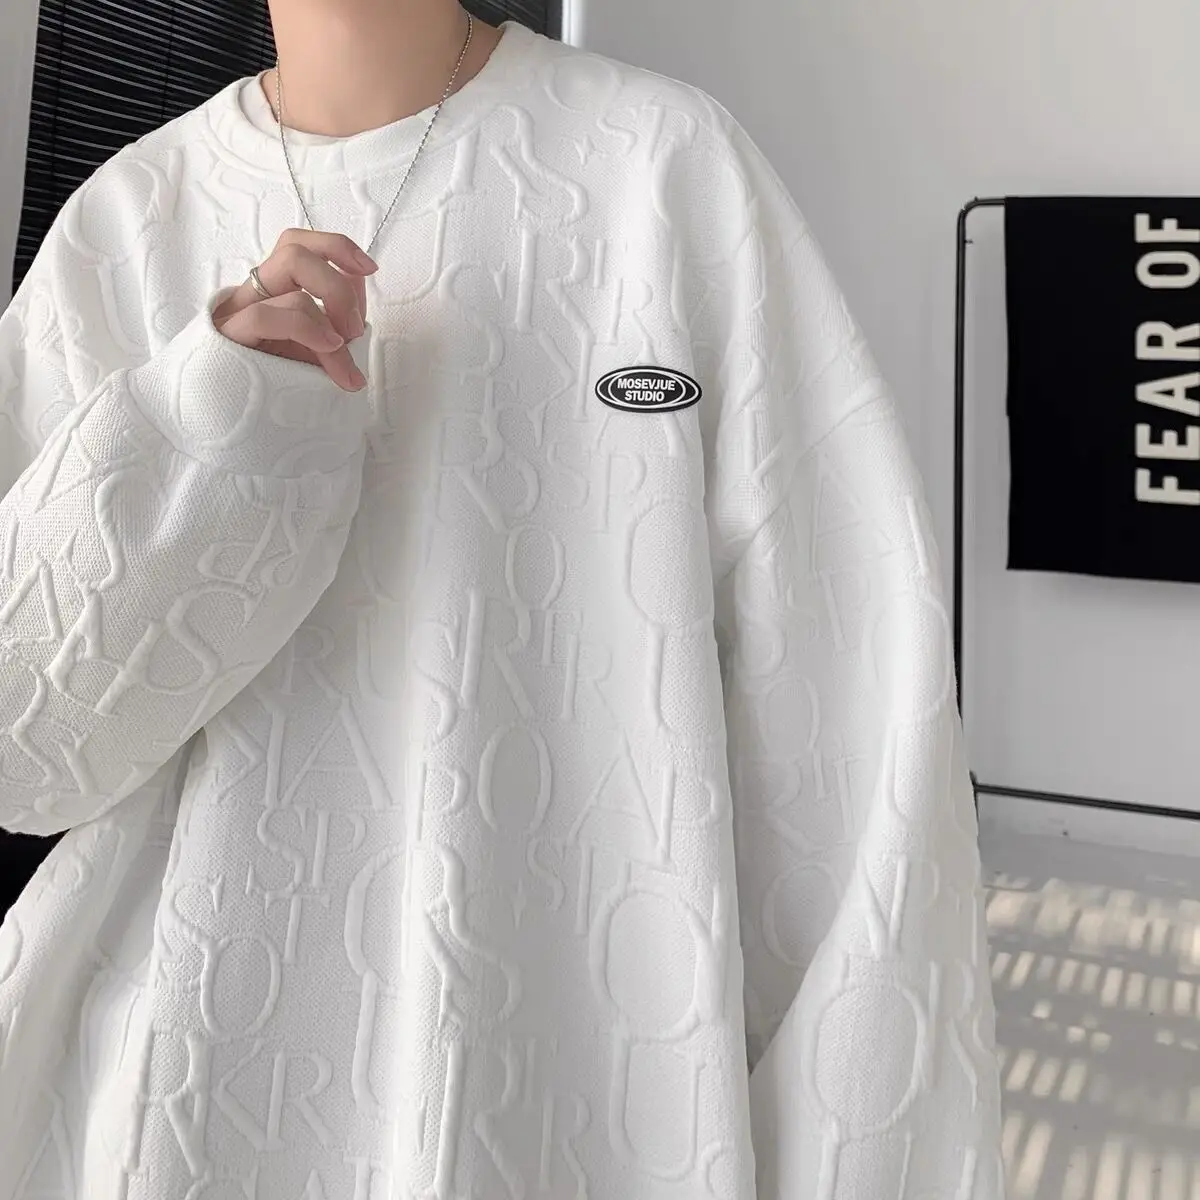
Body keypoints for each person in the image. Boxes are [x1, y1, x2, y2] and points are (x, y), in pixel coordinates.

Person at [0, 3, 1005, 1197]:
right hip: (173, 1087)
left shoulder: (662, 168)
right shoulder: (127, 217)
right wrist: (205, 421)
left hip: (584, 1086)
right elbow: (24, 754)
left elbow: (857, 736)